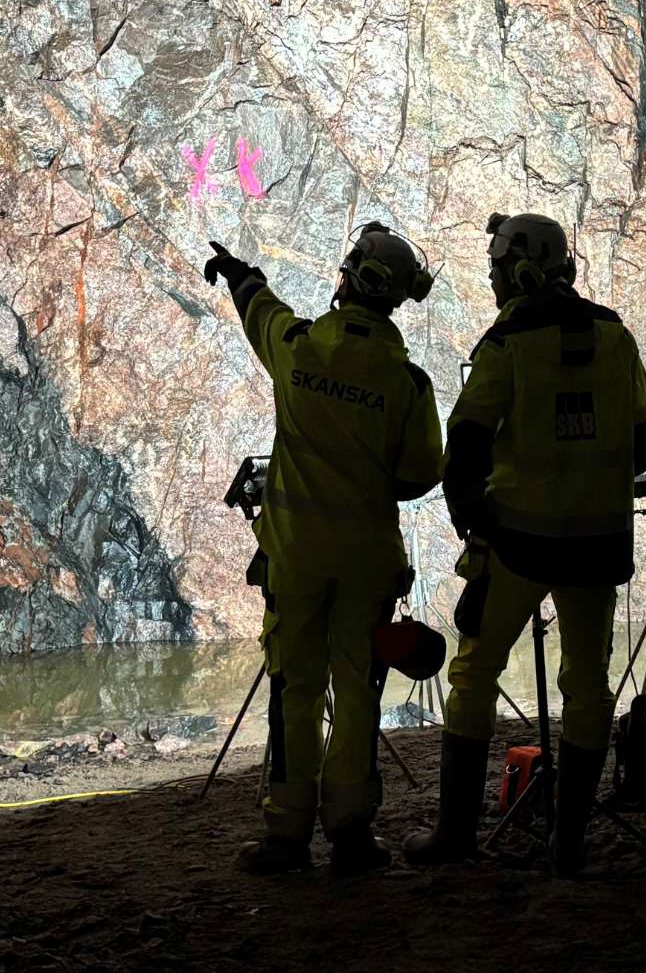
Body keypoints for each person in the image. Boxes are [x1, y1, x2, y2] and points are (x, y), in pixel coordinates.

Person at [404, 212, 646, 878]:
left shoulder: (508, 341)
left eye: (496, 269)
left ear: (519, 270)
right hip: (595, 544)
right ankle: (569, 842)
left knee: (472, 674)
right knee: (587, 685)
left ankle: (457, 835)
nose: (493, 281)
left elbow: (463, 441)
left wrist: (476, 520)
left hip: (518, 543)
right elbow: (645, 435)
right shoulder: (615, 335)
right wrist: (592, 479)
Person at [204, 222, 444, 878]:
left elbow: (264, 314)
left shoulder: (302, 348)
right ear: (395, 298)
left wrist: (239, 273)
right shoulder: (407, 383)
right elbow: (422, 471)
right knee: (358, 689)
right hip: (367, 562)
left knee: (295, 688)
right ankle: (351, 833)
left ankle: (285, 833)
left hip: (296, 557)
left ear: (348, 277)